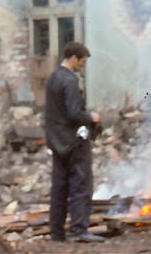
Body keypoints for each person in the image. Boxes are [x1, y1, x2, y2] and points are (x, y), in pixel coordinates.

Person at [43, 41, 102, 242]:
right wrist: (92, 118)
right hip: (74, 141)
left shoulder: (53, 77)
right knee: (80, 184)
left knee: (59, 187)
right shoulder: (69, 81)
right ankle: (78, 230)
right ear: (74, 59)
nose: (83, 65)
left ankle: (57, 232)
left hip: (56, 141)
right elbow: (74, 113)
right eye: (83, 61)